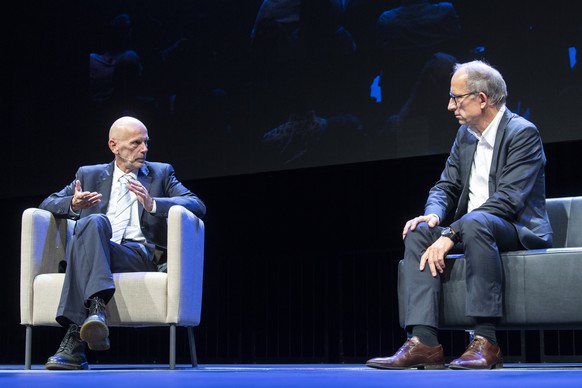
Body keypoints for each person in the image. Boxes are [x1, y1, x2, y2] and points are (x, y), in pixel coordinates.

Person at [366, 60, 552, 370]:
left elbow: (508, 200)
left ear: (482, 99)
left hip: (515, 228)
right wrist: (434, 217)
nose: (450, 105)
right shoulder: (465, 135)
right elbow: (446, 186)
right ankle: (423, 342)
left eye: (457, 97)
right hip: (473, 227)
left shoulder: (522, 133)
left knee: (478, 222)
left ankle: (485, 341)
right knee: (418, 231)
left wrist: (453, 234)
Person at [40, 116, 206, 370]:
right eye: (136, 143)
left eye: (146, 142)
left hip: (136, 255)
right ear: (113, 145)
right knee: (94, 222)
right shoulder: (89, 174)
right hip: (98, 247)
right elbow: (47, 204)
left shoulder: (161, 173)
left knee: (82, 242)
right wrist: (73, 204)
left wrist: (154, 204)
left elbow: (196, 203)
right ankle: (95, 311)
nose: (144, 149)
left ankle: (75, 339)